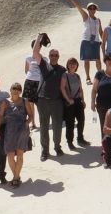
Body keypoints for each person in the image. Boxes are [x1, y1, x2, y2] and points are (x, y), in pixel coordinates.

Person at [33, 32, 66, 161]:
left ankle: (57, 147)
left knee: (57, 126)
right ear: (49, 56)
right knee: (44, 126)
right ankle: (45, 151)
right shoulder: (44, 65)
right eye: (52, 55)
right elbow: (35, 52)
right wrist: (39, 38)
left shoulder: (63, 69)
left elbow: (66, 86)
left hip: (57, 101)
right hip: (43, 101)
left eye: (56, 55)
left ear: (58, 57)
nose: (53, 57)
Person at [0, 82, 32, 188]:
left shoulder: (25, 101)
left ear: (20, 91)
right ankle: (17, 176)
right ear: (10, 90)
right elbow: (0, 117)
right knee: (10, 156)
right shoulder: (5, 102)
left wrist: (27, 122)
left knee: (20, 155)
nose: (16, 90)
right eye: (14, 88)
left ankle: (15, 179)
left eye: (18, 89)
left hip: (22, 131)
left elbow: (31, 116)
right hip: (9, 132)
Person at [64, 0, 103, 83]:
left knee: (98, 59)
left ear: (96, 10)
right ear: (88, 9)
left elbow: (101, 32)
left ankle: (100, 76)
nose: (92, 9)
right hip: (86, 40)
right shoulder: (86, 16)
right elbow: (78, 7)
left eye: (94, 8)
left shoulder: (98, 20)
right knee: (87, 60)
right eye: (90, 8)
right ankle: (88, 77)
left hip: (96, 41)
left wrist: (105, 42)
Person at [62, 57, 89, 149]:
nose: (72, 65)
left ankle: (80, 138)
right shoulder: (65, 75)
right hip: (70, 102)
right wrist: (68, 99)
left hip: (78, 101)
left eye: (74, 63)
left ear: (77, 65)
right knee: (70, 123)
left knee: (81, 120)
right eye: (70, 63)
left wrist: (83, 100)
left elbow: (81, 89)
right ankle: (70, 141)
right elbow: (62, 88)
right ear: (67, 65)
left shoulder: (77, 76)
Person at [23, 37, 46, 129]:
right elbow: (26, 70)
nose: (37, 47)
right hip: (30, 81)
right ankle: (33, 123)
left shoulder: (44, 58)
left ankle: (43, 121)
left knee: (40, 102)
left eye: (38, 46)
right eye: (35, 46)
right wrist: (32, 76)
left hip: (39, 82)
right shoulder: (28, 58)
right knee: (29, 103)